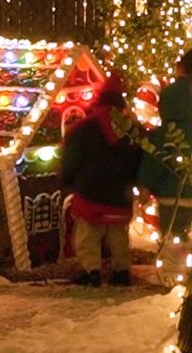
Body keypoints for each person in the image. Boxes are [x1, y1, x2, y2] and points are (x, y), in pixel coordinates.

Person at [59, 77, 145, 286]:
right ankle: (122, 270)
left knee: (88, 235)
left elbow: (71, 158)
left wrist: (67, 180)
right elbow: (141, 158)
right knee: (118, 235)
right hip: (120, 194)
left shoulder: (84, 127)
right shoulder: (132, 130)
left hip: (91, 192)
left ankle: (92, 271)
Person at [138, 48, 192, 207]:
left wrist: (144, 185)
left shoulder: (164, 134)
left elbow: (155, 160)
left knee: (172, 230)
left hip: (169, 195)